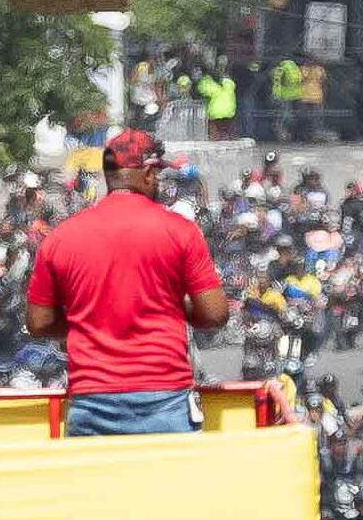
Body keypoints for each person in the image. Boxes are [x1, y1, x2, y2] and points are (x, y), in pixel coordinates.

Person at [24, 131, 231, 437]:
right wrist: (170, 308)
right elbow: (215, 313)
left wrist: (92, 320)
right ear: (147, 173)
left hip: (90, 402)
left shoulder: (61, 237)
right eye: (158, 173)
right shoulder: (181, 231)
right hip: (164, 400)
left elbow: (39, 323)